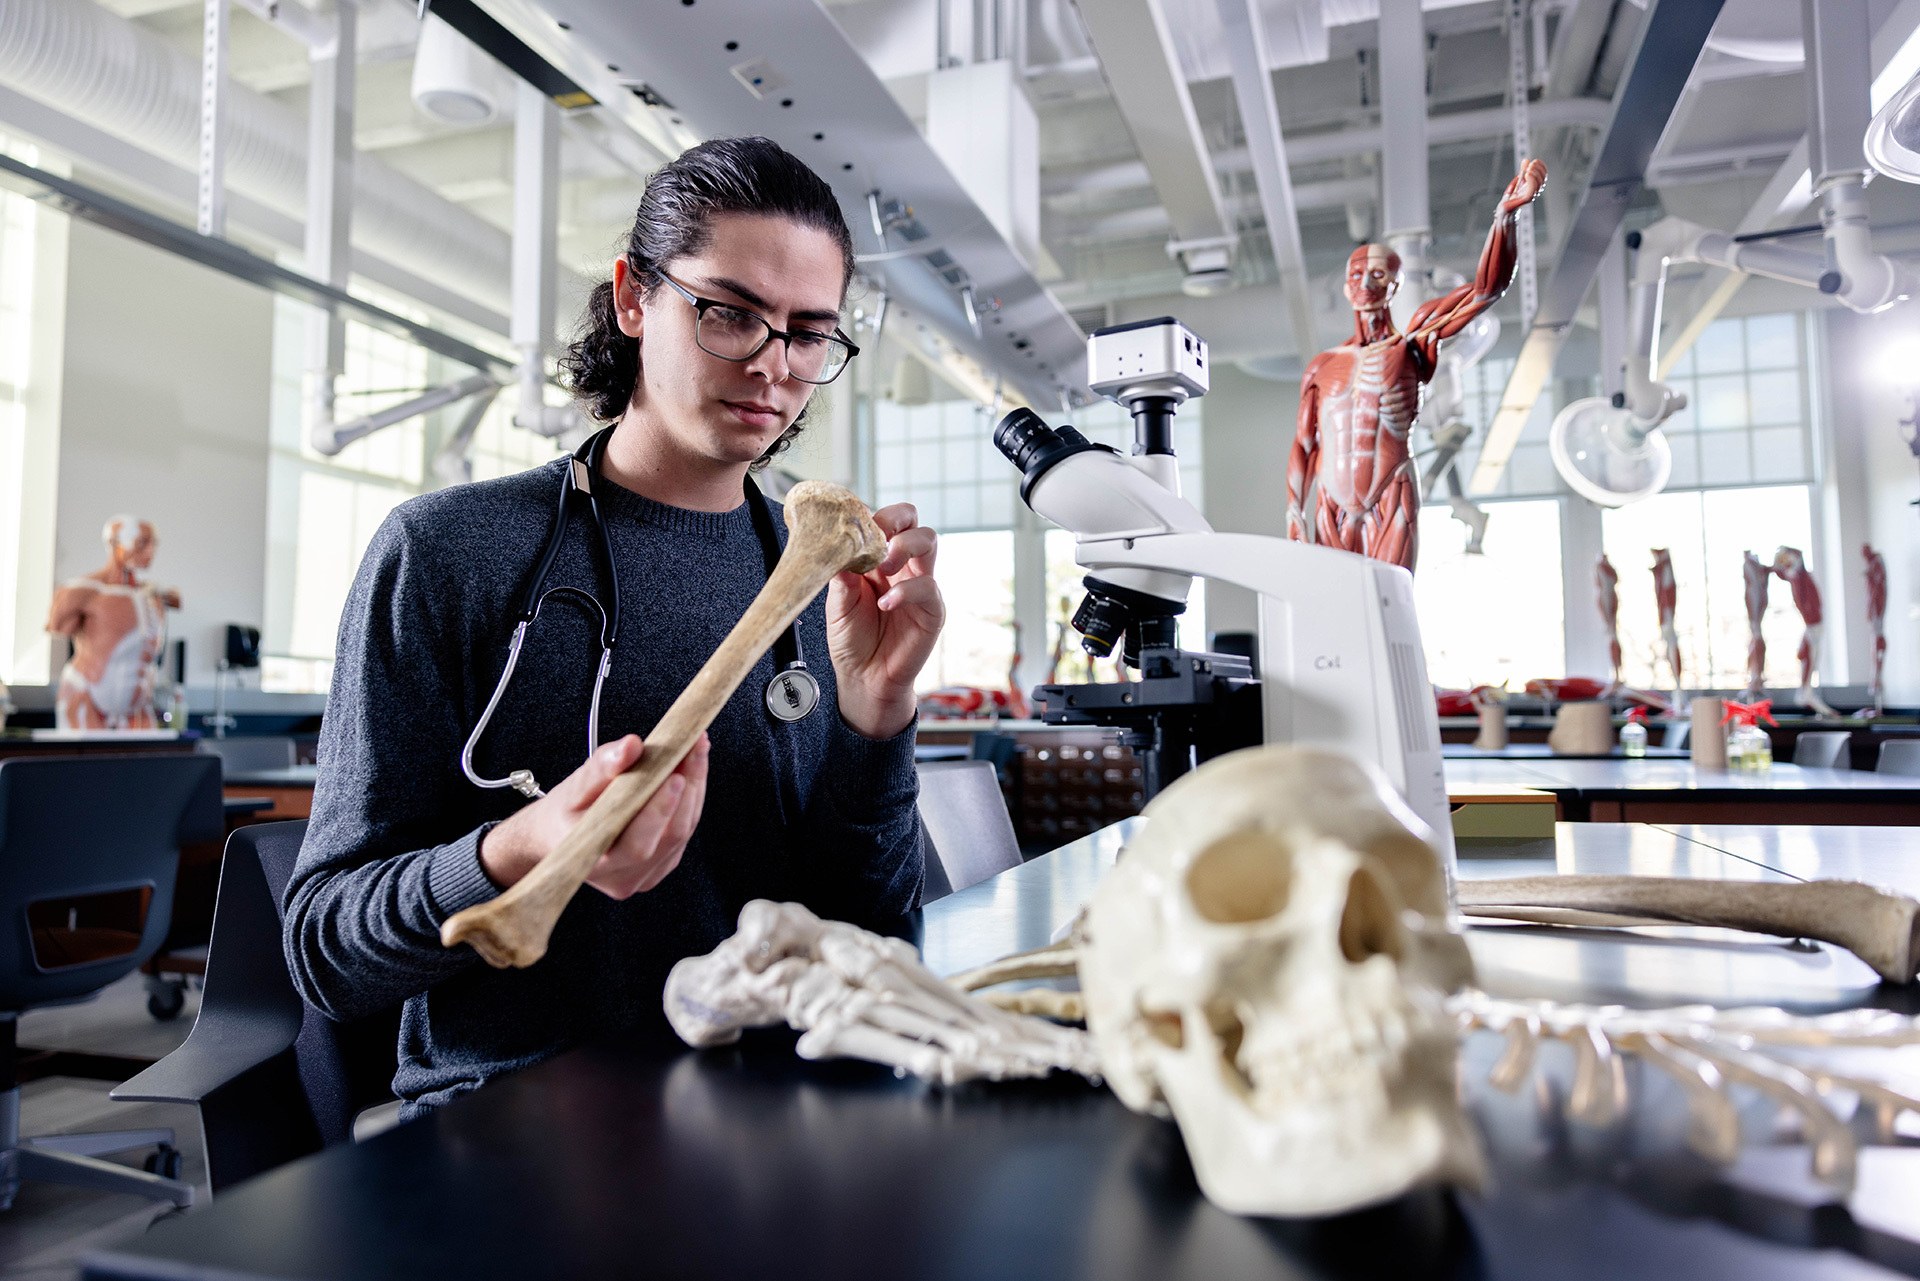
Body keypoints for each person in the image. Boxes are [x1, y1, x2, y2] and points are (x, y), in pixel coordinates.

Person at [284, 137, 944, 1115]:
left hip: (773, 1117)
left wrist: (876, 716)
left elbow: (873, 938)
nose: (773, 368)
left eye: (809, 335)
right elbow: (326, 956)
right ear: (634, 298)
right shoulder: (449, 553)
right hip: (518, 1135)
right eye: (730, 314)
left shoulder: (823, 583)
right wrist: (514, 854)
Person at [46, 515, 180, 730]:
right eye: (142, 543)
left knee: (150, 762)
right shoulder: (85, 590)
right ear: (115, 543)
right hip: (87, 697)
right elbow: (57, 626)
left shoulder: (151, 595)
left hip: (137, 708)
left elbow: (177, 600)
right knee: (85, 763)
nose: (150, 551)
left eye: (154, 543)